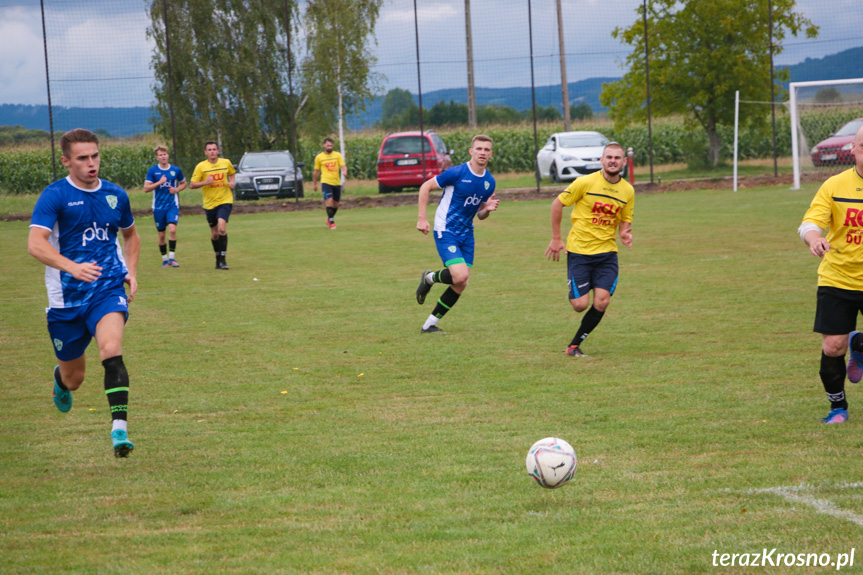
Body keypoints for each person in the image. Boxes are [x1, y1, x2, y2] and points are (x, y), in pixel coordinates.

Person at [28, 128, 140, 457]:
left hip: (107, 288)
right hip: (66, 298)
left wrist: (130, 272)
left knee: (111, 349)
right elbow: (35, 244)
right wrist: (72, 267)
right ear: (66, 162)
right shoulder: (55, 196)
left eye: (95, 156)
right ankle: (60, 380)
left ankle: (119, 431)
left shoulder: (116, 195)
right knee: (74, 378)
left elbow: (131, 236)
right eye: (82, 158)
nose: (91, 163)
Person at [799, 124, 863, 424]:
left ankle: (859, 346)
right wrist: (815, 239)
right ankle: (838, 407)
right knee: (833, 346)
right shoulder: (835, 185)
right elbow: (809, 223)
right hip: (838, 277)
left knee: (850, 343)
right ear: (853, 149)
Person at [545, 142, 634, 357]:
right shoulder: (584, 182)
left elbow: (625, 219)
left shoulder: (628, 190)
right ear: (602, 160)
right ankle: (576, 290)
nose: (613, 161)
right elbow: (557, 205)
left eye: (617, 158)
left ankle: (574, 346)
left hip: (607, 254)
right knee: (580, 304)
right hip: (579, 252)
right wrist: (556, 238)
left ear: (624, 162)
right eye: (609, 157)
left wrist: (624, 233)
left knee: (602, 301)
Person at [415, 134, 499, 333]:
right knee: (459, 275)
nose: (482, 153)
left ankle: (429, 324)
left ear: (491, 154)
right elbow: (425, 186)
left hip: (467, 234)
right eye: (479, 149)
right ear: (471, 151)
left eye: (486, 150)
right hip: (446, 229)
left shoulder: (489, 182)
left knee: (461, 282)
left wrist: (487, 209)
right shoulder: (457, 172)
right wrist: (422, 218)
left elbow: (479, 215)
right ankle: (430, 278)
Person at [190, 141, 236, 269]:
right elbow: (192, 184)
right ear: (205, 152)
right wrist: (205, 182)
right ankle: (217, 259)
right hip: (209, 204)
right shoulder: (201, 166)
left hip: (225, 200)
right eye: (209, 150)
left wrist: (232, 182)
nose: (212, 152)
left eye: (214, 149)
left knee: (222, 228)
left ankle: (223, 260)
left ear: (218, 151)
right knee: (215, 234)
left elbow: (232, 173)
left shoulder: (226, 162)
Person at [143, 145, 186, 267]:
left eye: (165, 154)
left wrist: (176, 189)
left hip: (172, 205)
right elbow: (146, 188)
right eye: (160, 155)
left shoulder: (175, 170)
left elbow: (184, 183)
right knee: (161, 235)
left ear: (168, 155)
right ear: (157, 157)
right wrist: (159, 182)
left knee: (172, 229)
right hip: (158, 207)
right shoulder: (152, 171)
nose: (163, 156)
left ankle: (172, 258)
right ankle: (164, 259)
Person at [312, 137, 347, 229]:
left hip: (336, 183)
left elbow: (343, 166)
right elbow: (316, 172)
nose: (329, 147)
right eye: (328, 145)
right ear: (324, 146)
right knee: (329, 202)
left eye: (331, 145)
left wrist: (344, 171)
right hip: (326, 182)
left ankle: (329, 219)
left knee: (336, 205)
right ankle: (332, 222)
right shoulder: (319, 157)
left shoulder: (337, 155)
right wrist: (314, 184)